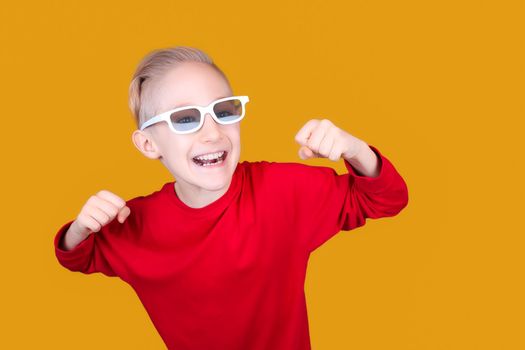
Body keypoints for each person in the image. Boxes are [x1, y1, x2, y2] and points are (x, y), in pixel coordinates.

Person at [54, 46, 409, 350]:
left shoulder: (282, 191)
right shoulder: (134, 225)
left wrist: (356, 150)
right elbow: (77, 256)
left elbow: (386, 200)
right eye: (185, 118)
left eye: (223, 111)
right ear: (148, 144)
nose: (212, 132)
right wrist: (81, 228)